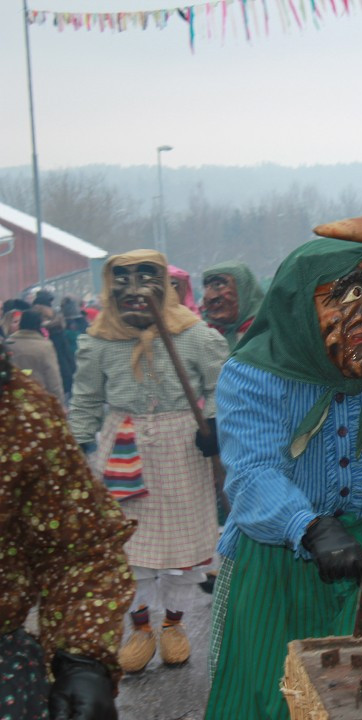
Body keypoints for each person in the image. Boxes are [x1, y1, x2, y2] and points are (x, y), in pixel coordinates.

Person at [205, 238, 362, 720]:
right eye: (348, 294)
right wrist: (308, 525)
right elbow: (252, 474)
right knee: (279, 697)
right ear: (302, 305)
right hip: (279, 562)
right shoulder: (251, 374)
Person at [68, 249, 230, 674]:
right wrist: (77, 450)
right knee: (129, 550)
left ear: (165, 282)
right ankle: (140, 630)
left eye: (145, 277)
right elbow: (84, 399)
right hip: (122, 450)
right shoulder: (99, 339)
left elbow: (220, 385)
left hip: (182, 448)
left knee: (179, 552)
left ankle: (173, 627)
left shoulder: (194, 335)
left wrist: (213, 423)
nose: (134, 290)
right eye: (122, 279)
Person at [1, 344, 136, 720]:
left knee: (166, 556)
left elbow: (82, 550)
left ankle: (164, 624)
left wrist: (82, 658)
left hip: (150, 454)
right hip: (118, 446)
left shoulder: (19, 415)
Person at [201, 260, 265, 349]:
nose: (210, 297)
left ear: (243, 289)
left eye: (218, 285)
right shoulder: (203, 335)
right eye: (206, 288)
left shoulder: (267, 331)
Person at [4, 309, 64, 400]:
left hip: (13, 398)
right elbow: (53, 377)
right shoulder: (45, 346)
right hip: (38, 398)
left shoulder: (7, 344)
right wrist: (59, 403)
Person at [32, 289, 77, 399]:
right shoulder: (57, 327)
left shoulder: (39, 332)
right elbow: (68, 355)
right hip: (64, 374)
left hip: (48, 378)